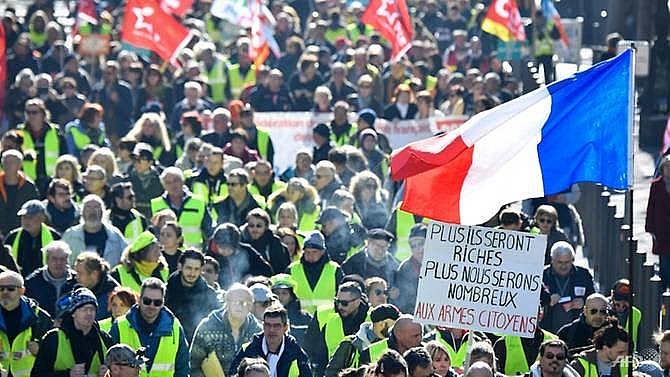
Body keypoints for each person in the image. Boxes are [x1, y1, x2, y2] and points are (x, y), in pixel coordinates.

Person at [110, 278, 190, 377]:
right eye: (147, 301)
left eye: (157, 302)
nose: (152, 306)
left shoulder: (175, 327)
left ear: (163, 303)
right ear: (139, 300)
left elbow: (182, 368)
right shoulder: (119, 326)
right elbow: (108, 367)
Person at [31, 287, 114, 377]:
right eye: (84, 309)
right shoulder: (54, 338)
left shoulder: (105, 339)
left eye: (92, 309)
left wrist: (109, 374)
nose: (89, 313)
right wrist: (68, 374)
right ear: (73, 313)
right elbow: (37, 375)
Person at [190, 283, 263, 377]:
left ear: (251, 305)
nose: (240, 305)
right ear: (227, 303)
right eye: (236, 301)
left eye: (246, 302)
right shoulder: (207, 327)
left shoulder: (258, 331)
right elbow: (193, 364)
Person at [304, 281, 370, 376]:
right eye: (337, 301)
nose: (339, 306)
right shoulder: (324, 314)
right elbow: (310, 348)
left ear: (358, 301)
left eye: (344, 303)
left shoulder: (372, 318)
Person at [229, 306, 312, 377]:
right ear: (263, 326)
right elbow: (232, 374)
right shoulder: (248, 350)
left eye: (276, 326)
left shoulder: (297, 354)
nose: (271, 330)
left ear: (285, 328)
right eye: (268, 325)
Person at [0, 270, 53, 377]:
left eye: (11, 289)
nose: (5, 292)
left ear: (22, 291)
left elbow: (54, 353)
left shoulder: (39, 317)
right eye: (1, 289)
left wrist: (40, 351)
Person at [324, 303, 400, 377]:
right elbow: (331, 373)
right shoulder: (349, 344)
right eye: (393, 325)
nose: (396, 329)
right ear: (382, 324)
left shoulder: (394, 344)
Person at [165, 248, 220, 341]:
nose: (192, 273)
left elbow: (216, 325)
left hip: (198, 345)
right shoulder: (166, 291)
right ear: (180, 267)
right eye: (188, 268)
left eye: (196, 269)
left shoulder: (209, 295)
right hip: (169, 341)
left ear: (201, 269)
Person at [541, 241, 596, 334]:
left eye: (567, 262)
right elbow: (531, 302)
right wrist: (547, 300)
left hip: (577, 329)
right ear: (552, 260)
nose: (563, 266)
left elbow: (594, 298)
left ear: (572, 260)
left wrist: (584, 302)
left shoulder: (583, 275)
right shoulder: (542, 275)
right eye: (559, 262)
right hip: (548, 327)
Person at [151, 167, 212, 248]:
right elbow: (154, 233)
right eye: (168, 182)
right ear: (163, 186)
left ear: (183, 181)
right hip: (167, 254)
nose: (173, 185)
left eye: (176, 180)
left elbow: (209, 231)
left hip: (193, 255)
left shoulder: (198, 202)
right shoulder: (156, 204)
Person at [287, 231, 344, 314]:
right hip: (299, 318)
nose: (310, 255)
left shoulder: (335, 269)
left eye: (314, 252)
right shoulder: (292, 269)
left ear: (322, 252)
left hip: (327, 318)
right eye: (307, 252)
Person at [17, 98, 67, 193]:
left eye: (35, 112)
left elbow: (64, 155)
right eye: (28, 112)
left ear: (43, 113)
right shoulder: (19, 132)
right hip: (27, 181)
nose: (31, 115)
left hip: (51, 180)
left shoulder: (55, 131)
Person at [62, 194, 126, 267]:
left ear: (102, 212)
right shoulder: (70, 235)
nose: (92, 211)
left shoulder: (114, 235)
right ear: (82, 212)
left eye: (96, 207)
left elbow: (126, 258)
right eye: (88, 207)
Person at [205, 223, 272, 289]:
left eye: (229, 249)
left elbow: (267, 270)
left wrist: (252, 275)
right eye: (222, 248)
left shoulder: (247, 251)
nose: (225, 251)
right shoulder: (211, 257)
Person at [5, 200, 61, 277]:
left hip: (46, 281)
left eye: (30, 217)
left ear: (42, 218)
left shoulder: (55, 237)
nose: (26, 220)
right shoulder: (12, 237)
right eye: (24, 217)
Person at [24, 240, 78, 317]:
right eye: (54, 259)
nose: (58, 263)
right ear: (47, 260)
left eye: (62, 259)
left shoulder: (77, 280)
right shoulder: (32, 282)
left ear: (67, 260)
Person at [0, 150, 39, 237]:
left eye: (12, 162)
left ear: (20, 165)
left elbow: (35, 209)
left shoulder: (29, 186)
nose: (7, 165)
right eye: (5, 162)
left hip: (23, 232)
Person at [241, 209, 291, 274]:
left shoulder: (274, 242)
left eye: (259, 226)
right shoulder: (242, 242)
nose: (255, 229)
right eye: (251, 225)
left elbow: (281, 269)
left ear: (266, 227)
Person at [645, 155, 670, 289]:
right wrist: (650, 226)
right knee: (664, 263)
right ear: (662, 168)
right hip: (662, 230)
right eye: (667, 167)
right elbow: (651, 206)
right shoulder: (656, 185)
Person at [74, 251, 120, 320]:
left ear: (94, 274)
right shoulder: (80, 289)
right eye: (76, 272)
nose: (76, 277)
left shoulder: (112, 297)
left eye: (80, 273)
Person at [269, 273, 312, 346]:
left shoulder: (306, 318)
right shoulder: (265, 317)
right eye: (276, 293)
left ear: (292, 296)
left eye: (284, 293)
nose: (280, 296)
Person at [394, 224, 426, 313]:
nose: (418, 249)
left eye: (421, 243)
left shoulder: (442, 265)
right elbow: (403, 302)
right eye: (413, 246)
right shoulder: (405, 268)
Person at [127, 143, 164, 219]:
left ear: (150, 162)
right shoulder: (127, 179)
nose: (137, 163)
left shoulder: (161, 179)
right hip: (134, 219)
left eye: (141, 159)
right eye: (135, 159)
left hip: (156, 218)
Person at [609, 279, 641, 349]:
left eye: (626, 300)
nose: (622, 304)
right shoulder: (604, 311)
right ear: (612, 296)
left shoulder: (636, 314)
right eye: (619, 299)